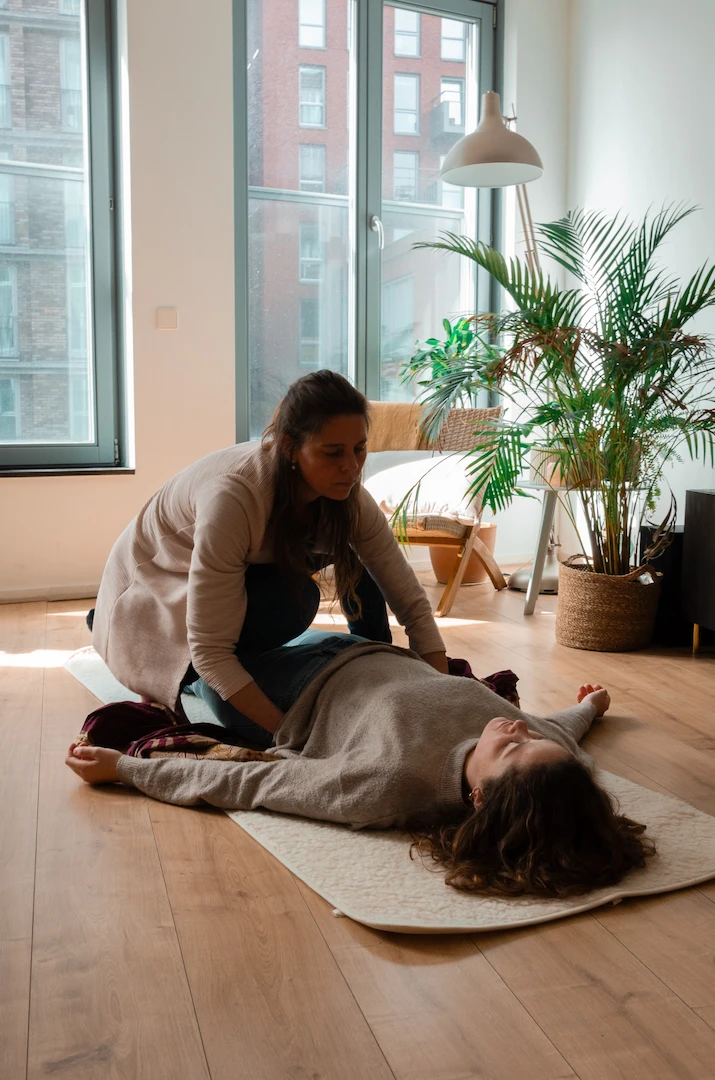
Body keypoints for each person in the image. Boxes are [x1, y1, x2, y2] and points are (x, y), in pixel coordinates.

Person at [66, 631, 655, 898]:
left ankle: (109, 621)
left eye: (515, 749)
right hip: (366, 644)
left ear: (480, 800)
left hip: (286, 690)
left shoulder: (387, 786)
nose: (519, 729)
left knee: (190, 637)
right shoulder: (551, 758)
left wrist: (126, 770)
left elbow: (253, 779)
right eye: (534, 736)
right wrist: (589, 706)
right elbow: (562, 732)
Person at [88, 370, 447, 747]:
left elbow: (411, 604)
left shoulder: (348, 496)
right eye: (332, 452)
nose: (351, 467)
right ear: (290, 448)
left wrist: (439, 693)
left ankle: (374, 657)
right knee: (291, 604)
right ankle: (166, 666)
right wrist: (289, 736)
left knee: (356, 557)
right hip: (153, 588)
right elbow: (211, 651)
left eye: (359, 449)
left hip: (246, 569)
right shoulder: (234, 497)